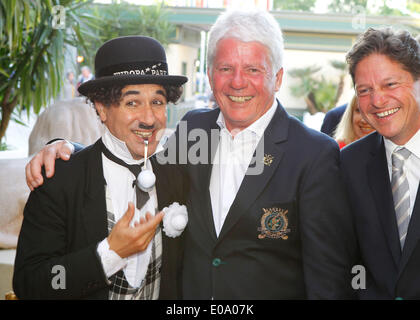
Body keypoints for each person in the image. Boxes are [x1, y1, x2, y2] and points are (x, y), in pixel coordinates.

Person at [25, 10, 358, 299]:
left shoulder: (315, 154)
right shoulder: (193, 130)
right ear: (211, 75)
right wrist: (67, 151)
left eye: (253, 70)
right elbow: (121, 156)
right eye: (226, 68)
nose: (237, 82)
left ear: (278, 78)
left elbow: (329, 278)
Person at [14, 36, 188, 299]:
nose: (149, 118)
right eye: (132, 102)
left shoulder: (180, 175)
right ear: (102, 108)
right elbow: (31, 284)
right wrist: (109, 254)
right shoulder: (59, 179)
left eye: (157, 102)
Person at [341, 27, 420, 299]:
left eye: (390, 85)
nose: (377, 100)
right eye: (365, 90)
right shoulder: (346, 165)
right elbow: (338, 263)